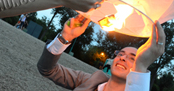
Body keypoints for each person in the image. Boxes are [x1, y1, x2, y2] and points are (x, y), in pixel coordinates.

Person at [37, 15, 166, 91]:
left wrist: (141, 67)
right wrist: (64, 37)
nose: (122, 58)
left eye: (132, 58)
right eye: (120, 54)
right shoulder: (92, 80)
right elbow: (47, 69)